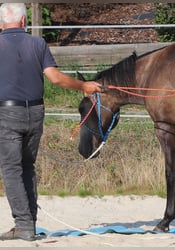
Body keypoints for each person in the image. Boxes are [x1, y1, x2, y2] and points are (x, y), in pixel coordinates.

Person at [0, 3, 102, 241]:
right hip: (36, 111)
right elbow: (55, 78)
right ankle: (29, 223)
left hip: (7, 113)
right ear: (25, 22)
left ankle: (24, 225)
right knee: (27, 166)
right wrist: (83, 85)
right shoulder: (37, 43)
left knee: (11, 169)